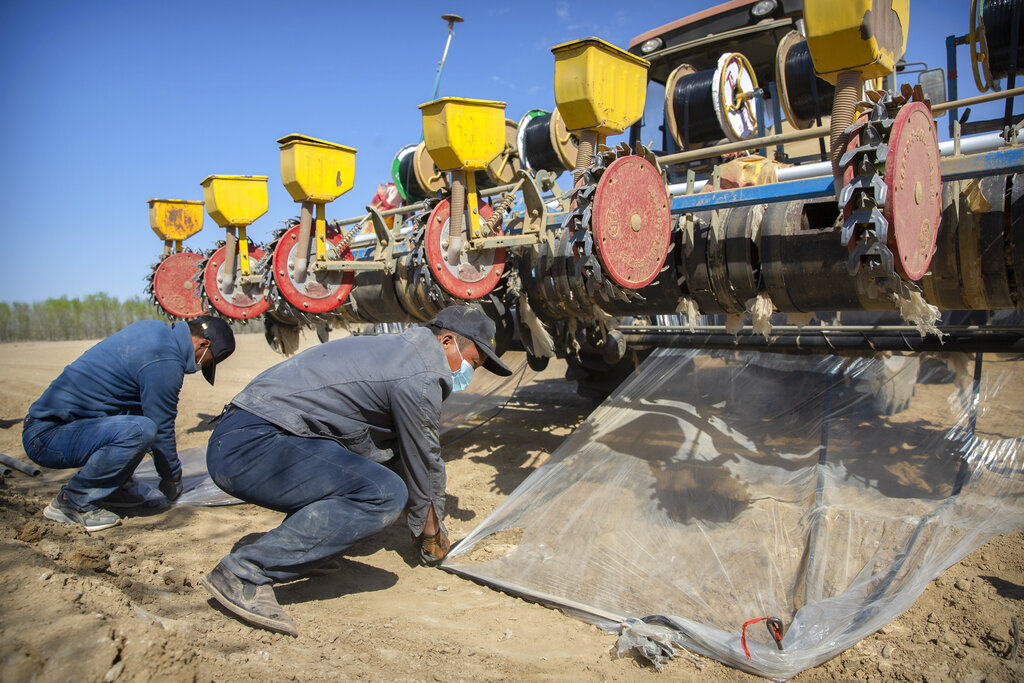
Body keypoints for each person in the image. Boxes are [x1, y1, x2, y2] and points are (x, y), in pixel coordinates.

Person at [200, 305, 512, 636]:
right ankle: (245, 573)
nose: (469, 373)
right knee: (384, 494)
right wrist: (431, 534)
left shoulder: (400, 352)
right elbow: (423, 459)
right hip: (252, 445)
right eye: (472, 363)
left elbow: (398, 456)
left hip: (248, 434)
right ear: (447, 341)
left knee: (372, 471)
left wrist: (422, 513)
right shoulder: (421, 374)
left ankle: (289, 548)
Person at [22, 316, 236, 532]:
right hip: (48, 436)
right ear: (203, 345)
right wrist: (172, 479)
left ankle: (115, 488)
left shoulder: (154, 331)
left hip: (56, 428)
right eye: (206, 362)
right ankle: (72, 502)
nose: (200, 366)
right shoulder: (165, 360)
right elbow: (161, 429)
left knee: (137, 423)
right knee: (141, 431)